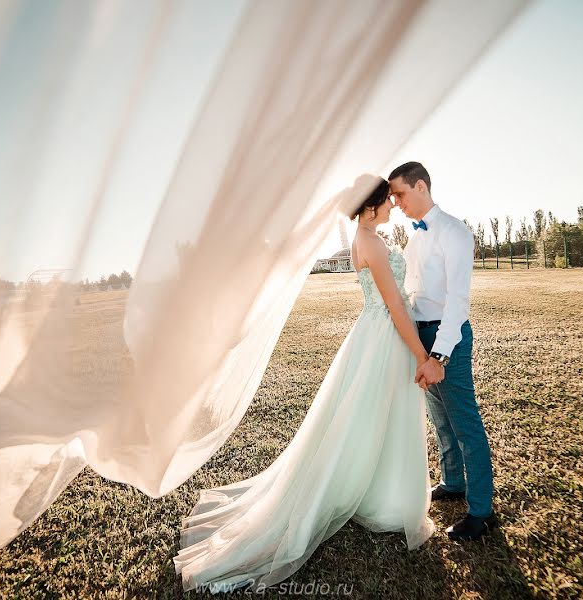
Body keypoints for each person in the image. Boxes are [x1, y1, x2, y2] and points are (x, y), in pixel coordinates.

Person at [173, 175, 435, 593]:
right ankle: (380, 498)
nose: (392, 207)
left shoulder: (362, 238)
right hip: (383, 337)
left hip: (372, 334)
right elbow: (394, 305)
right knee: (370, 414)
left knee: (370, 416)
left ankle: (378, 492)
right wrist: (423, 356)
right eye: (388, 201)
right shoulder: (371, 242)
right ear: (370, 207)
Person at [389, 161, 496, 541]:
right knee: (441, 421)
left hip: (445, 341)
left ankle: (482, 511)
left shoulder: (454, 232)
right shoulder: (414, 239)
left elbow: (457, 302)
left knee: (466, 425)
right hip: (420, 341)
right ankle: (453, 482)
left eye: (399, 193)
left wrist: (439, 356)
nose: (395, 202)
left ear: (421, 187)